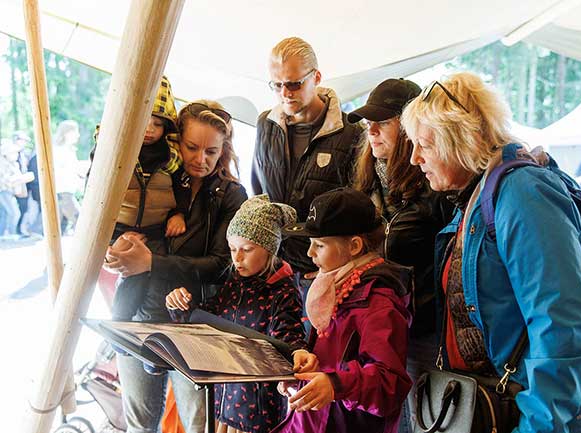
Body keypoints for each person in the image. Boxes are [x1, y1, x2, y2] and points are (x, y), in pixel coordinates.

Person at [401, 72, 581, 433]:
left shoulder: (522, 193)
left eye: (423, 144)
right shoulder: (481, 195)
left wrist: (537, 425)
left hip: (564, 416)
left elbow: (563, 323)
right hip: (523, 405)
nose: (414, 158)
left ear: (460, 138)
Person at [105, 99, 248, 433]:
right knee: (140, 424)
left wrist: (151, 262)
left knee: (198, 424)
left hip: (194, 326)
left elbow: (221, 265)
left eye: (211, 151)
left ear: (224, 149)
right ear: (176, 140)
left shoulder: (231, 195)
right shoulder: (158, 179)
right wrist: (117, 252)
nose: (200, 160)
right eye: (192, 147)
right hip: (137, 316)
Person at [349, 78, 454, 431]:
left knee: (422, 420)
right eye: (368, 122)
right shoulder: (367, 183)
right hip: (376, 324)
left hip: (423, 327)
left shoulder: (435, 184)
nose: (371, 130)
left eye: (383, 121)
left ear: (410, 127)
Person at [166, 194, 318, 433]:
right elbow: (209, 317)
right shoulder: (235, 282)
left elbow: (288, 335)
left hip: (256, 409)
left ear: (269, 249)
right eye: (232, 249)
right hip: (225, 398)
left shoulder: (283, 290)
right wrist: (181, 307)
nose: (236, 258)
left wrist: (298, 350)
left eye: (247, 249)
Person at [272, 187, 412, 433]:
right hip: (310, 423)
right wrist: (303, 363)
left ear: (354, 246)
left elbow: (389, 383)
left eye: (320, 245)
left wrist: (335, 385)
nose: (309, 253)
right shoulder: (333, 285)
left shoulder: (379, 301)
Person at [251, 37, 363, 318]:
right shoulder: (265, 123)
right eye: (277, 85)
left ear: (316, 77)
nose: (285, 93)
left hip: (323, 273)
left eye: (293, 84)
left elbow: (357, 209)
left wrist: (335, 267)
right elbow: (257, 192)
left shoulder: (351, 132)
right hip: (273, 270)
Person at [98, 76, 191, 321]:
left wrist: (178, 213)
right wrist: (109, 237)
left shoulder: (170, 155)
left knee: (155, 276)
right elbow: (95, 190)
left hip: (156, 229)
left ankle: (140, 327)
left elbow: (182, 189)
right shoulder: (116, 151)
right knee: (127, 271)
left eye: (158, 124)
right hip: (121, 227)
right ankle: (119, 322)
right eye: (144, 121)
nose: (150, 129)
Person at [52, 120, 83, 234]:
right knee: (80, 223)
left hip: (67, 192)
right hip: (63, 192)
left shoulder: (69, 150)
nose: (78, 135)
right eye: (76, 132)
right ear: (67, 133)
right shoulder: (58, 151)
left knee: (61, 228)